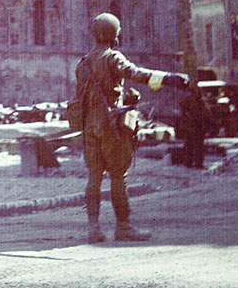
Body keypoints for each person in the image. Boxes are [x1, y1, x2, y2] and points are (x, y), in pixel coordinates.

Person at [73, 13, 190, 243]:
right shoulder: (112, 57)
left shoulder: (83, 63)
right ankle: (123, 227)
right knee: (118, 176)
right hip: (110, 126)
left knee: (94, 177)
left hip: (89, 127)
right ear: (112, 34)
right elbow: (135, 73)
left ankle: (94, 228)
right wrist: (167, 78)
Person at [178, 82, 211, 169]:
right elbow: (196, 112)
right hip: (195, 125)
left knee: (189, 144)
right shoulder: (193, 98)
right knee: (198, 145)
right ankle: (198, 164)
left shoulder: (187, 96)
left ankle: (188, 163)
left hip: (189, 125)